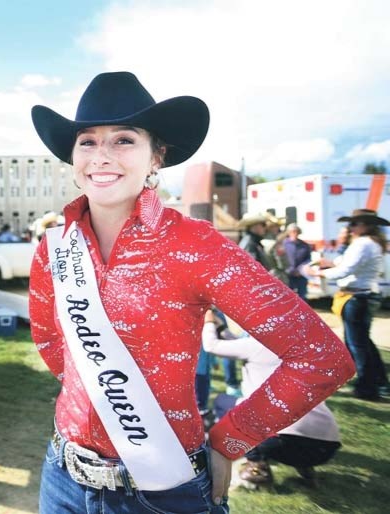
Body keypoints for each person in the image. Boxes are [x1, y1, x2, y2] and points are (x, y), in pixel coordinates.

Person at [28, 71, 354, 513]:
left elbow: (320, 356)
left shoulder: (196, 245)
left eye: (123, 140)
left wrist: (230, 441)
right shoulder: (54, 247)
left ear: (156, 157)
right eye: (87, 141)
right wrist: (104, 390)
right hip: (63, 478)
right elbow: (51, 341)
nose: (100, 156)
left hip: (163, 490)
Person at [202, 310, 342, 488]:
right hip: (327, 445)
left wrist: (208, 322)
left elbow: (211, 346)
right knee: (290, 419)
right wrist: (220, 325)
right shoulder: (299, 349)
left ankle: (257, 465)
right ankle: (306, 468)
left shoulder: (256, 346)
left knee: (223, 403)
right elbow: (239, 345)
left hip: (281, 442)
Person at [305, 209, 389, 401]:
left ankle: (367, 387)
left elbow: (347, 270)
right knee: (363, 342)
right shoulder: (371, 243)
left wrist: (320, 273)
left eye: (354, 224)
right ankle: (378, 382)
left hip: (358, 296)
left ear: (365, 225)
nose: (350, 228)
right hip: (364, 295)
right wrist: (331, 263)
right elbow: (347, 264)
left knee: (357, 344)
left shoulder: (363, 243)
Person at [283, 223, 312, 300]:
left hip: (301, 274)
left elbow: (308, 260)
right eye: (292, 231)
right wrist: (288, 270)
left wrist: (300, 270)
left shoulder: (305, 245)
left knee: (302, 296)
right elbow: (281, 259)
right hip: (287, 274)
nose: (294, 233)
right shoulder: (283, 244)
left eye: (296, 231)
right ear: (288, 233)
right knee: (287, 296)